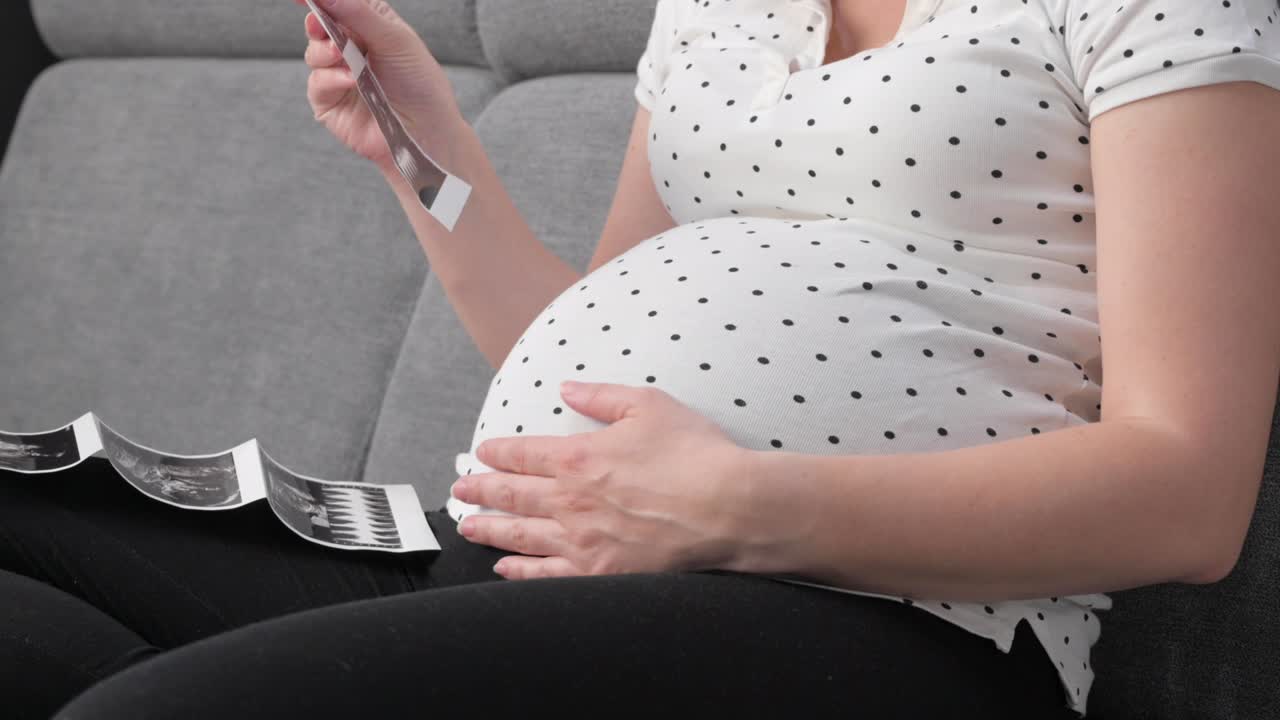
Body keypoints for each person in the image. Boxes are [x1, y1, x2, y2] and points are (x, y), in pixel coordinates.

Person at [3, 0, 1278, 717]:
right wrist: (420, 154)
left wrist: (732, 506)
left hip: (901, 630)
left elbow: (1186, 492)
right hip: (540, 556)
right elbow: (583, 356)